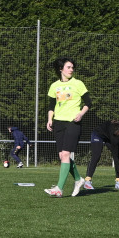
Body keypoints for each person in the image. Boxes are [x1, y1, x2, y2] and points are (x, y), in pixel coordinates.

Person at [44, 57, 92, 198]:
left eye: (72, 67)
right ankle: (78, 179)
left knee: (65, 154)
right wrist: (49, 119)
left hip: (73, 122)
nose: (71, 69)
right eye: (68, 67)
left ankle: (59, 188)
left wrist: (81, 114)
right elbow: (51, 106)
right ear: (61, 69)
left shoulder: (78, 83)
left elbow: (88, 102)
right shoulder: (54, 86)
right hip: (58, 123)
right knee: (62, 156)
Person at [83, 120, 119, 190]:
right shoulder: (117, 134)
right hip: (98, 134)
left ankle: (118, 182)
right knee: (96, 156)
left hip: (109, 137)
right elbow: (115, 155)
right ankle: (87, 181)